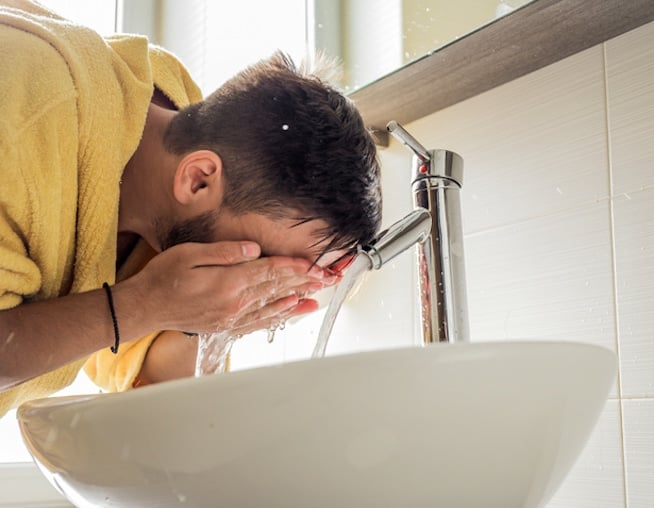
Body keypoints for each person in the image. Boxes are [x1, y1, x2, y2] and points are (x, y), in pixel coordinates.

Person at [0, 0, 382, 416]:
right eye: (265, 259)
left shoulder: (168, 159)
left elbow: (155, 383)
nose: (261, 279)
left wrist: (214, 318)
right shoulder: (20, 128)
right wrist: (142, 304)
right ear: (198, 178)